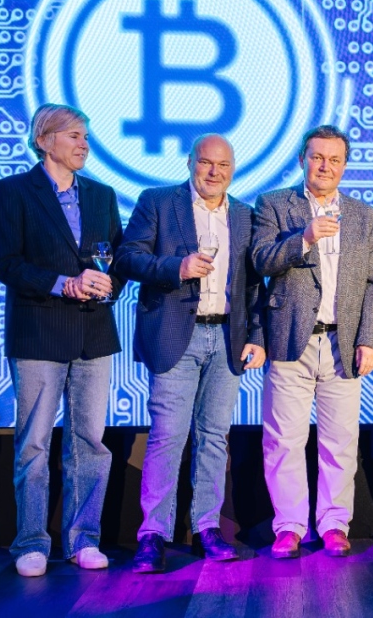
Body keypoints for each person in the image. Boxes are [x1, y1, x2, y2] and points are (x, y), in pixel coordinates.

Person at [115, 134, 266, 571]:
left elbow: (254, 284)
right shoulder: (158, 201)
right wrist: (176, 268)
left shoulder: (245, 214)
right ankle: (153, 534)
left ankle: (207, 527)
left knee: (214, 437)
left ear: (233, 169)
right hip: (174, 334)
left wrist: (257, 335)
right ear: (190, 163)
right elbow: (127, 258)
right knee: (167, 436)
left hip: (228, 338)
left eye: (223, 165)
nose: (214, 172)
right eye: (206, 162)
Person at [0, 104, 123, 577]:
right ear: (44, 140)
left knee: (90, 442)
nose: (84, 144)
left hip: (93, 333)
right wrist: (63, 283)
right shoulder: (13, 191)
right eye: (73, 136)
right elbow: (8, 264)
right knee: (34, 444)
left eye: (85, 136)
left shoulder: (102, 195)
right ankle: (30, 542)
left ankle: (83, 538)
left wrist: (108, 284)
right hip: (39, 333)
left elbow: (117, 259)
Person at [251, 126, 373, 559]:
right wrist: (304, 238)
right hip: (290, 339)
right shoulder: (274, 204)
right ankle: (289, 526)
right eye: (317, 157)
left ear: (345, 166)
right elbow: (260, 260)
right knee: (283, 440)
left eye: (334, 159)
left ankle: (333, 523)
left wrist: (370, 340)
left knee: (340, 440)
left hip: (343, 343)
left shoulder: (366, 217)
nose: (325, 166)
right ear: (302, 160)